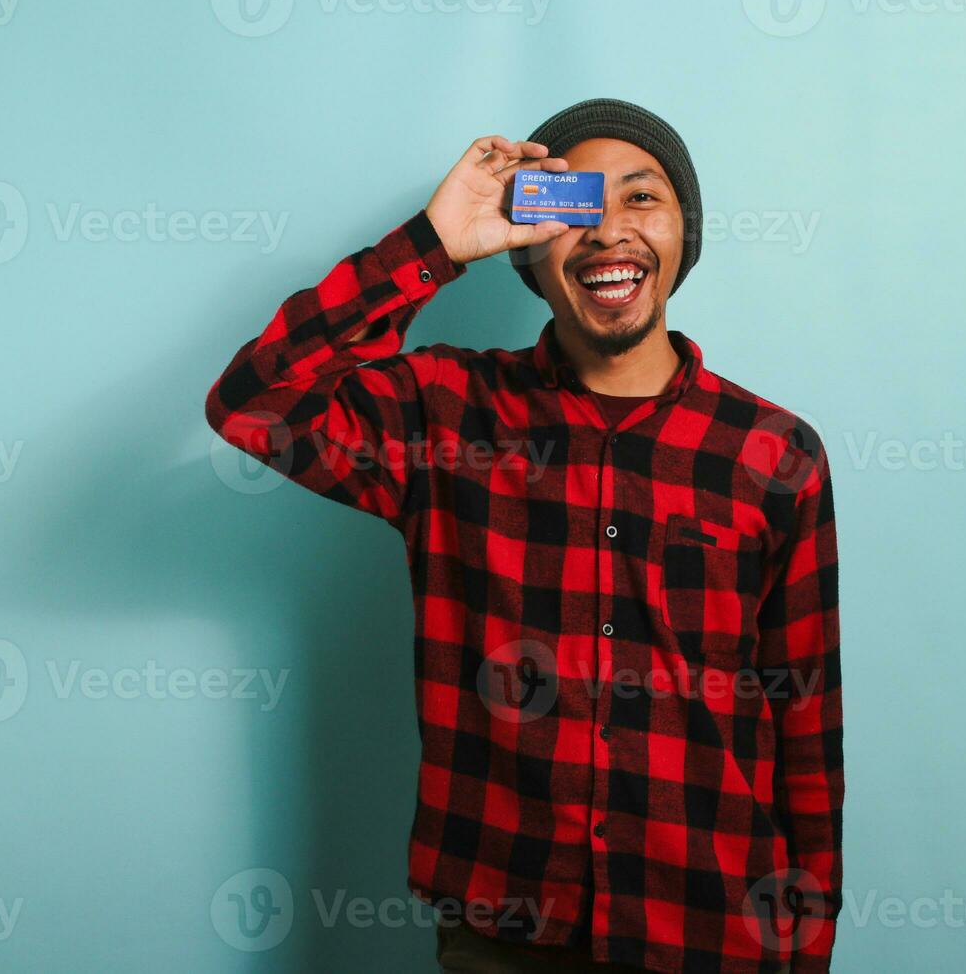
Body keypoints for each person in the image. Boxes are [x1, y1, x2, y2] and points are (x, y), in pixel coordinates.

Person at [205, 98, 842, 973]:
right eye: (575, 206)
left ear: (682, 235)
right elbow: (256, 403)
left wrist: (808, 943)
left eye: (642, 200)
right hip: (504, 936)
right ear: (530, 244)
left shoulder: (775, 455)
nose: (609, 233)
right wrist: (434, 243)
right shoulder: (445, 416)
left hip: (712, 929)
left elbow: (806, 724)